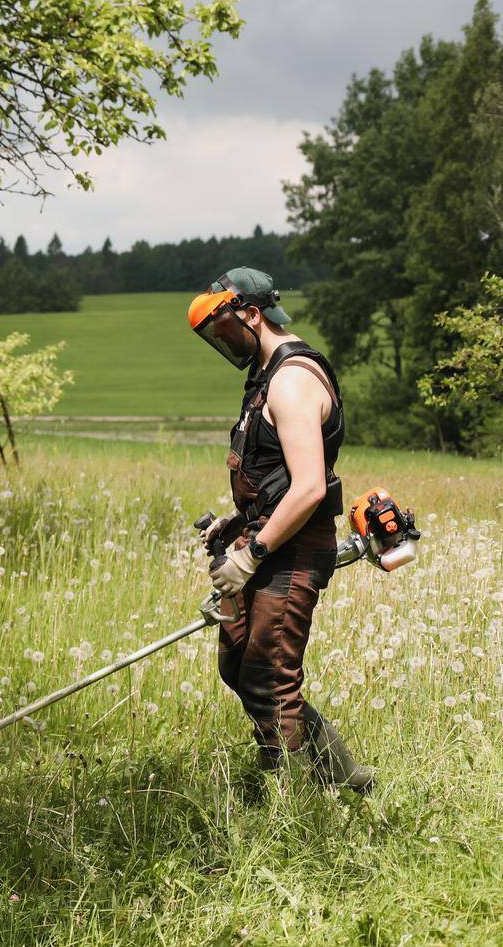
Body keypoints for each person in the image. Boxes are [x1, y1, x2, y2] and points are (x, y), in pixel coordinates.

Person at [187, 268, 373, 792]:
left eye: (223, 328)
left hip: (288, 550)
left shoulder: (291, 381)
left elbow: (310, 486)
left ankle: (289, 812)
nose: (221, 341)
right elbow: (278, 475)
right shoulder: (267, 373)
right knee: (239, 667)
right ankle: (346, 779)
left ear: (251, 313)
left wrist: (253, 552)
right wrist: (238, 525)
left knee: (269, 677)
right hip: (266, 536)